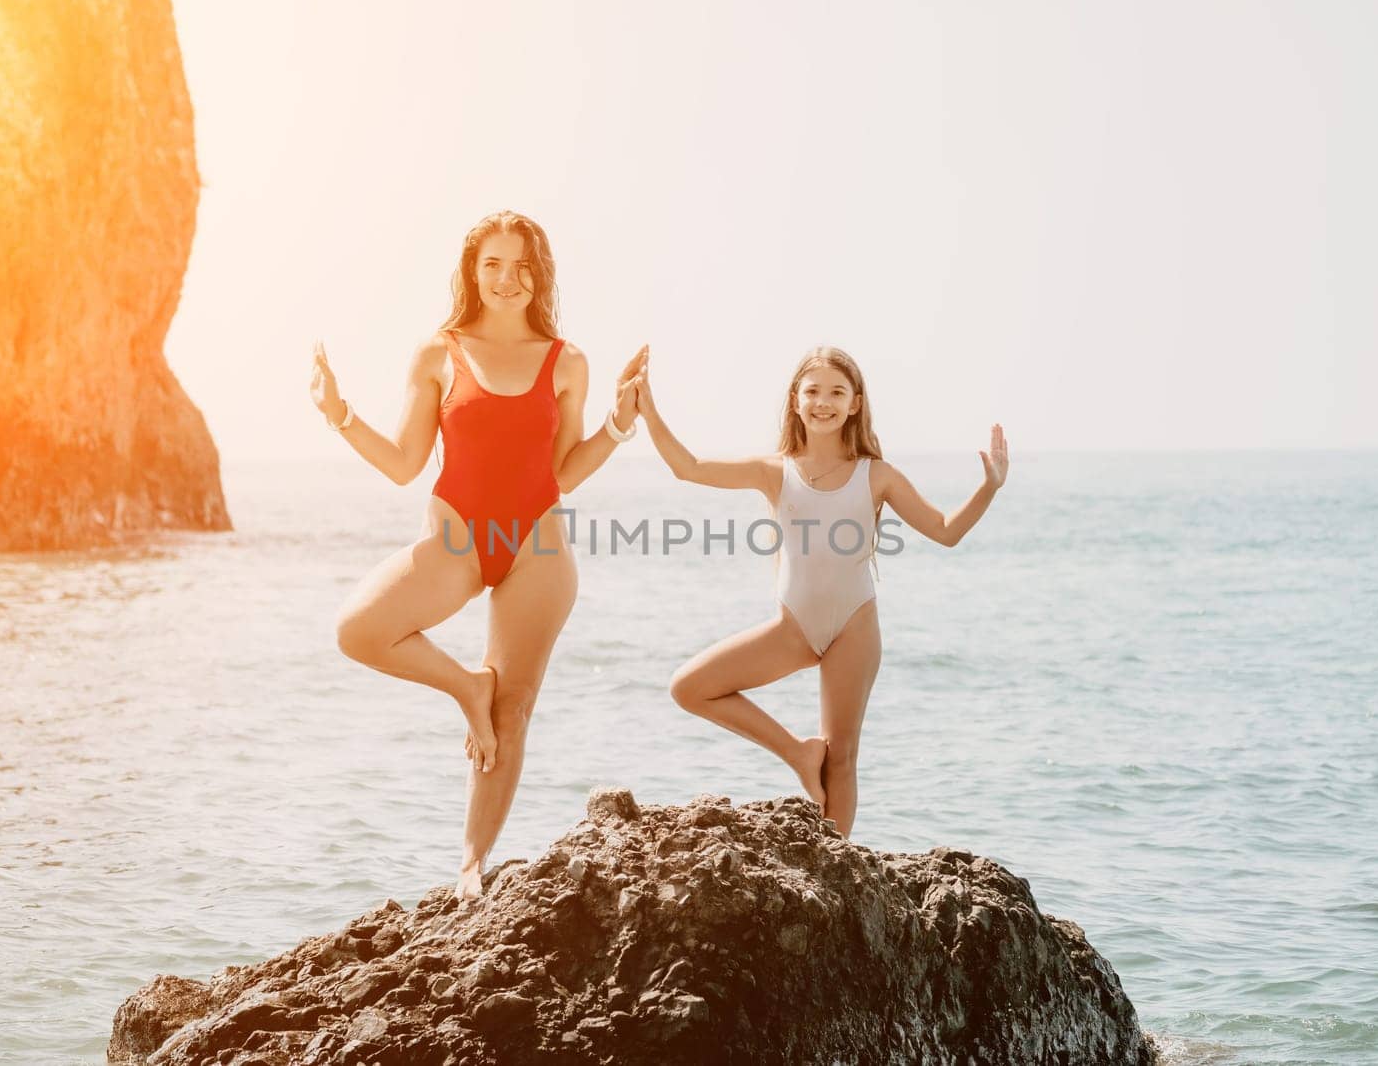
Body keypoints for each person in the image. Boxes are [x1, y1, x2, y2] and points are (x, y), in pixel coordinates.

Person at [309, 211, 647, 897]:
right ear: (472, 271)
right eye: (492, 263)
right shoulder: (440, 353)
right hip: (457, 539)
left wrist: (619, 423)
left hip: (536, 547)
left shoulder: (566, 361)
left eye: (521, 265)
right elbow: (406, 464)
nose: (506, 279)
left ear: (538, 275)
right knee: (358, 629)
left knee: (514, 709)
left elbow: (562, 471)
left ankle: (471, 862)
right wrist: (339, 414)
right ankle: (468, 685)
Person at [634, 345, 1007, 837]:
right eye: (813, 391)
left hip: (854, 627)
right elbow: (690, 466)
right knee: (689, 687)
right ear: (795, 401)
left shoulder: (877, 475)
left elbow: (945, 530)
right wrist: (648, 409)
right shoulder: (774, 471)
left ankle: (838, 864)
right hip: (795, 627)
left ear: (855, 403)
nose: (823, 402)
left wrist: (989, 487)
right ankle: (796, 751)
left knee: (843, 757)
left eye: (837, 392)